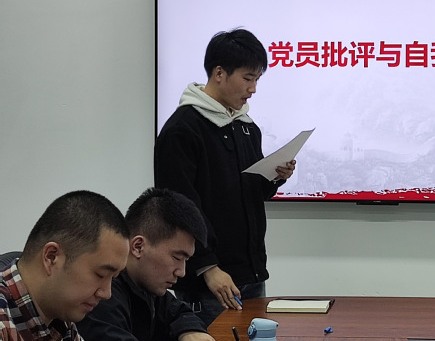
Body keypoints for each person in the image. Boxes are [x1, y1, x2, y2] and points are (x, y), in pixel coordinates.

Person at [154, 28, 295, 325]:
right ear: (219, 73)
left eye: (257, 80)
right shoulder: (183, 129)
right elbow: (179, 208)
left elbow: (251, 191)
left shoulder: (246, 127)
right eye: (248, 78)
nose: (253, 89)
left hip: (251, 273)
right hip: (210, 281)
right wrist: (208, 268)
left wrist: (275, 176)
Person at [77, 187, 215, 341]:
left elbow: (178, 311)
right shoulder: (103, 297)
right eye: (177, 257)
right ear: (138, 247)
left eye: (186, 260)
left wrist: (191, 331)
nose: (181, 272)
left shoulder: (146, 285)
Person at [0, 190, 130, 341]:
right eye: (100, 275)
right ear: (51, 257)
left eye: (113, 278)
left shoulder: (61, 322)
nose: (107, 293)